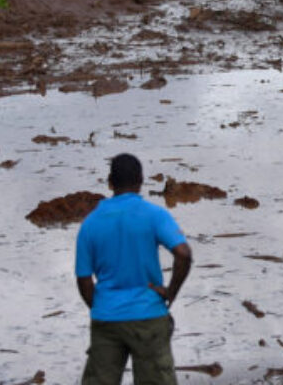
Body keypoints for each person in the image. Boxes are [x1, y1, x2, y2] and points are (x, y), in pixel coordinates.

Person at [76, 153, 194, 385]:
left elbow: (83, 279)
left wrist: (101, 307)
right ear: (141, 181)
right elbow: (183, 254)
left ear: (110, 182)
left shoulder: (90, 223)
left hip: (106, 318)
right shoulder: (154, 215)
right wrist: (170, 292)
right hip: (148, 316)